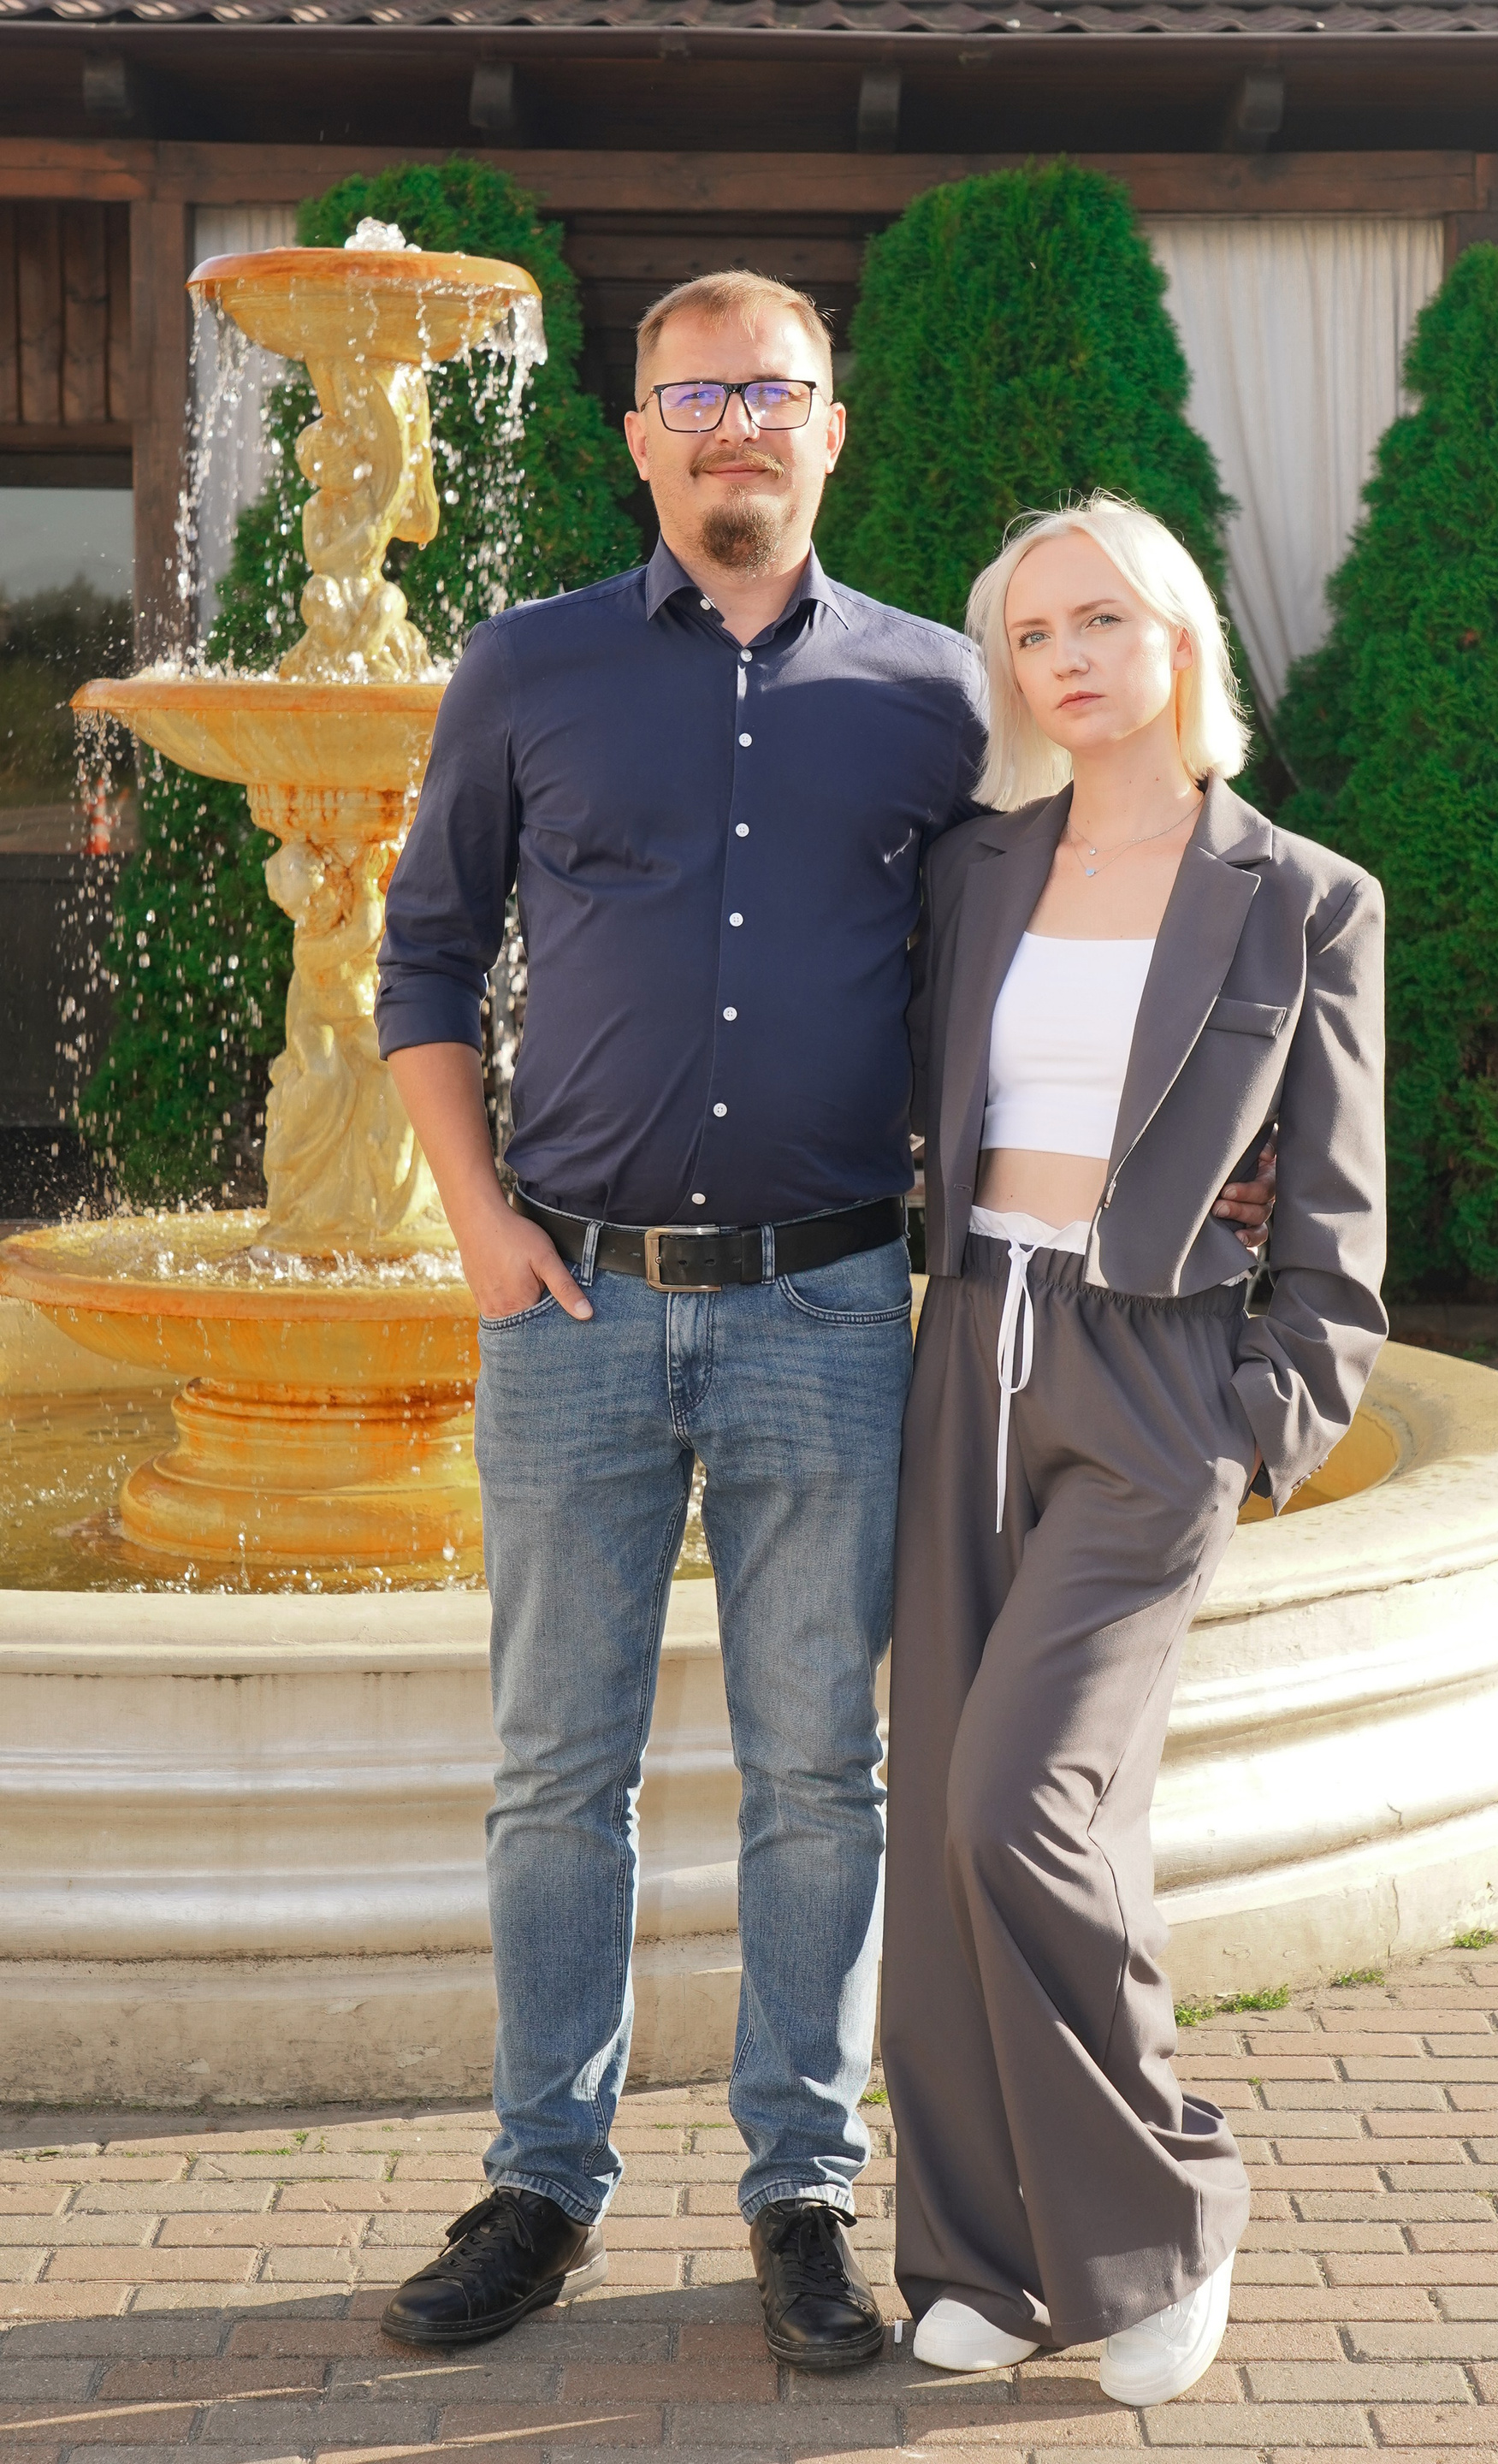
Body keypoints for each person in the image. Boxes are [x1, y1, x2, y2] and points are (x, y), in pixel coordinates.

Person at [371, 275, 1276, 2371]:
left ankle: (804, 2189)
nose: (734, 428)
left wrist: (1204, 1133)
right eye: (693, 395)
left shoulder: (948, 695)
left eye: (771, 391)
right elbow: (426, 959)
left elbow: (1084, 911)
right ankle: (541, 2182)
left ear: (829, 429)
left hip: (839, 1303)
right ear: (639, 434)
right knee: (555, 1771)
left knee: (821, 1773)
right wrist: (479, 1222)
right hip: (571, 1304)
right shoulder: (527, 668)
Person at [882, 495, 1386, 2405]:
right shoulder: (975, 869)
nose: (1066, 659)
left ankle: (1166, 2212)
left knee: (1026, 1805)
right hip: (967, 1349)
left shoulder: (1303, 897)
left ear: (1179, 636)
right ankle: (985, 2253)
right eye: (1031, 634)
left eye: (1100, 619)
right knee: (941, 1823)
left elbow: (1338, 1225)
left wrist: (1257, 1431)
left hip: (1154, 1382)